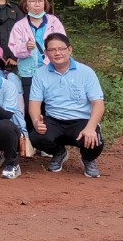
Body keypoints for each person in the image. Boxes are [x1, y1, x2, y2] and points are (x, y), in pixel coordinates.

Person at [28, 33, 106, 178]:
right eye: (52, 50)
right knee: (36, 136)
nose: (57, 53)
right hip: (54, 120)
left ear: (69, 49)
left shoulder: (86, 72)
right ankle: (59, 153)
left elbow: (98, 104)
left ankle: (88, 159)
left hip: (81, 120)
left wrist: (90, 128)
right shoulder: (40, 74)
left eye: (61, 49)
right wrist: (36, 121)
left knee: (94, 140)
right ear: (46, 53)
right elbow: (34, 103)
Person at [8, 0, 67, 103]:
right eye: (32, 1)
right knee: (31, 104)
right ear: (26, 5)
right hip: (29, 73)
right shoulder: (19, 26)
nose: (37, 4)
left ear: (44, 3)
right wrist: (25, 47)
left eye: (40, 1)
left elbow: (63, 43)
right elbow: (14, 48)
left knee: (53, 104)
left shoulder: (54, 22)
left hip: (52, 70)